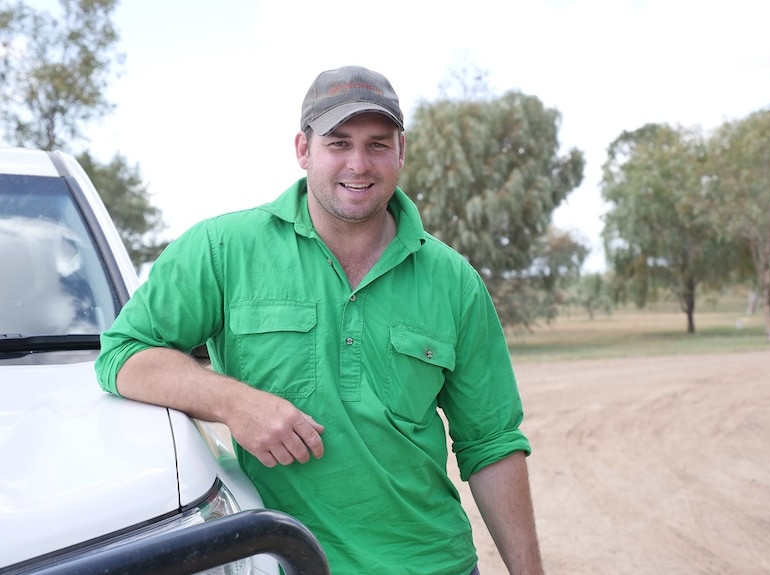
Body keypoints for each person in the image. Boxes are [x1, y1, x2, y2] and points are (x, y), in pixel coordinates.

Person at [95, 65, 544, 575]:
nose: (359, 163)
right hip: (285, 562)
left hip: (433, 562)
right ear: (303, 150)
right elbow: (123, 355)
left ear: (401, 152)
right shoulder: (222, 249)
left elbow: (492, 443)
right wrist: (235, 402)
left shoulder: (454, 280)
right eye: (338, 142)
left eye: (378, 144)